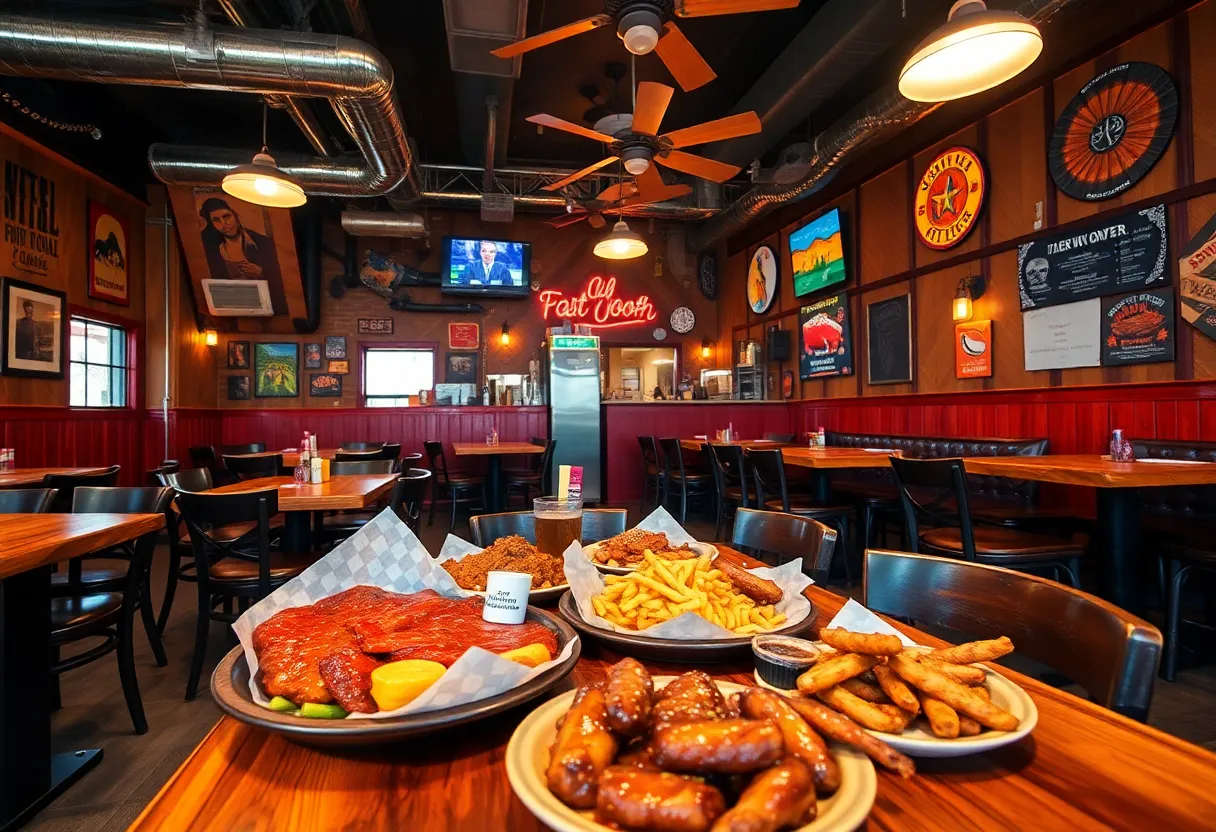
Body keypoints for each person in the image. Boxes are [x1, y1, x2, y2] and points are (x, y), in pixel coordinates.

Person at [199, 197, 287, 314]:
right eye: (216, 220)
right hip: (232, 309)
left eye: (226, 216)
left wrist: (262, 273)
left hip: (268, 308)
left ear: (235, 215)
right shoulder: (211, 249)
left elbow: (285, 280)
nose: (224, 224)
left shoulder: (262, 243)